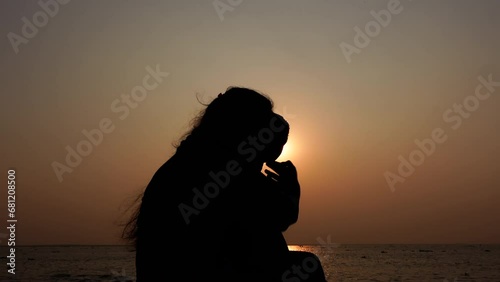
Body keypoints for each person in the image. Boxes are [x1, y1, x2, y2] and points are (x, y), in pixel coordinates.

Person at [121, 86, 327, 281]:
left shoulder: (184, 162)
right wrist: (292, 190)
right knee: (307, 265)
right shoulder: (227, 169)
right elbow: (282, 215)